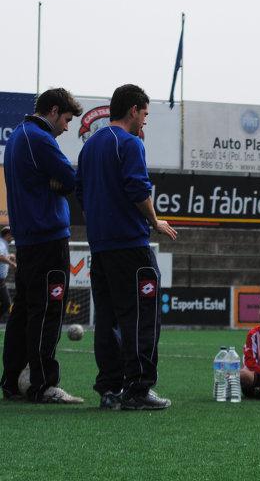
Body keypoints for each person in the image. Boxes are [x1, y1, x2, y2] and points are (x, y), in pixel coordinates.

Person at [76, 84, 178, 410]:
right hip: (131, 247)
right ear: (133, 110)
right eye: (145, 113)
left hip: (101, 248)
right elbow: (137, 188)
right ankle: (138, 389)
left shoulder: (89, 146)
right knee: (142, 317)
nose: (145, 121)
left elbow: (80, 192)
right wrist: (155, 221)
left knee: (108, 319)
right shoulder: (130, 143)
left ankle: (109, 389)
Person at [1, 88, 84, 404]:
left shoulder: (18, 136)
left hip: (28, 241)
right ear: (52, 110)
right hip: (48, 240)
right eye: (65, 119)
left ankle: (12, 381)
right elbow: (70, 178)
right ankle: (44, 385)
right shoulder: (38, 138)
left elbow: (58, 180)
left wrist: (55, 182)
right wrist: (59, 183)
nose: (66, 127)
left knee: (23, 312)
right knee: (47, 311)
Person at [0, 227, 17, 320]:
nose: (13, 238)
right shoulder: (1, 244)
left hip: (1, 281)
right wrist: (13, 264)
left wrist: (10, 256)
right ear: (8, 235)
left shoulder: (3, 244)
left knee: (6, 303)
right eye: (12, 236)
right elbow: (1, 257)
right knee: (6, 303)